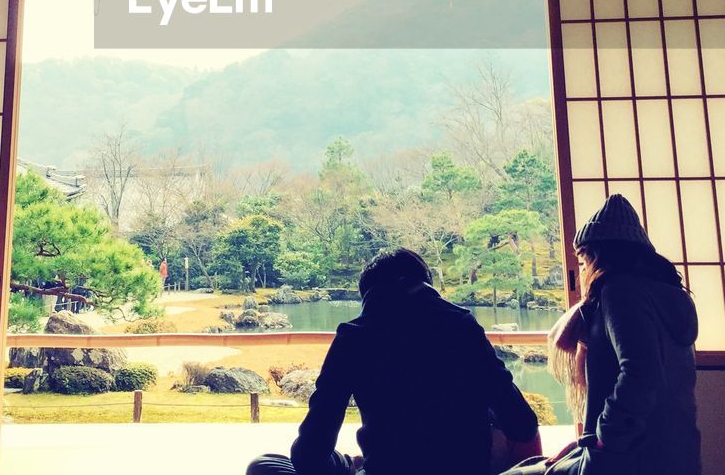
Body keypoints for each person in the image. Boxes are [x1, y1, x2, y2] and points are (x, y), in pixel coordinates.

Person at [247, 248, 543, 475]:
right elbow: (522, 425)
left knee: (264, 465)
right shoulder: (461, 326)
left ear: (369, 298)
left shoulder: (354, 337)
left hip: (385, 468)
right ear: (427, 287)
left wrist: (343, 464)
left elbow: (309, 455)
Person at [503, 194, 701, 475]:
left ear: (597, 255)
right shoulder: (669, 296)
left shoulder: (620, 292)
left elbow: (640, 372)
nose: (582, 270)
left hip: (629, 457)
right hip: (676, 452)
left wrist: (604, 438)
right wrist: (583, 443)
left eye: (583, 261)